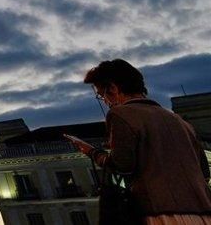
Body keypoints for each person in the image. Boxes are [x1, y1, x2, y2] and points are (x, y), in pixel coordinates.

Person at [71, 59, 211, 222]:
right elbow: (204, 172)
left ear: (113, 88)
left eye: (102, 96)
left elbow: (122, 165)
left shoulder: (121, 114)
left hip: (161, 214)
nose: (106, 103)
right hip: (203, 215)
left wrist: (92, 152)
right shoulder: (181, 122)